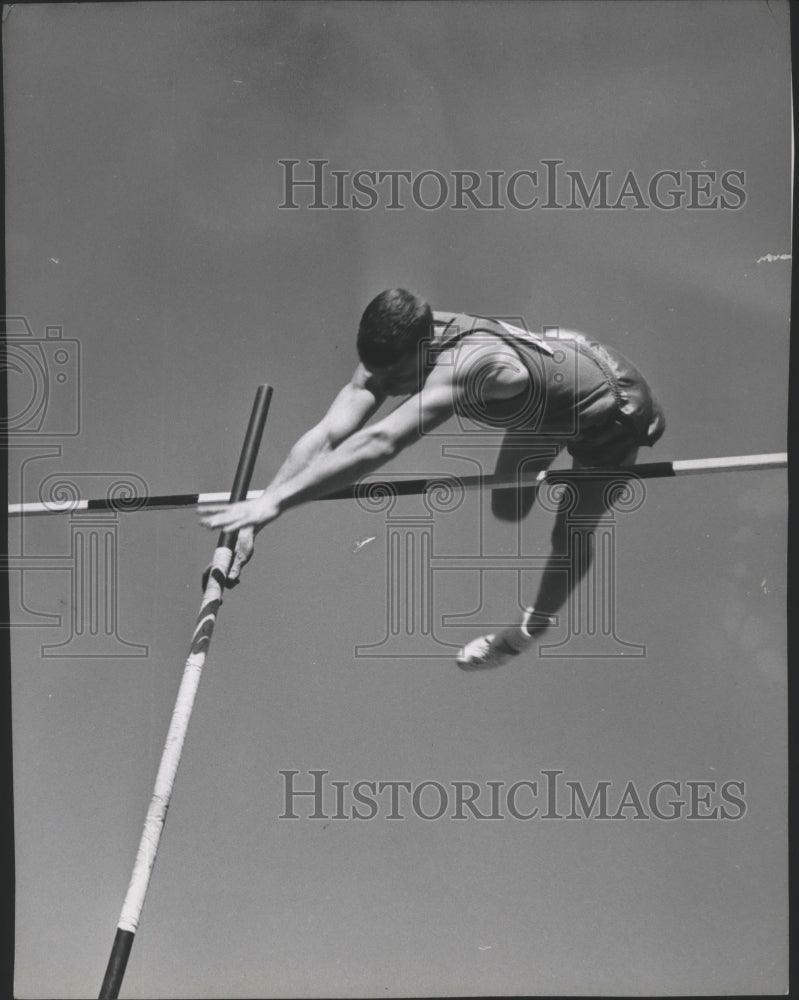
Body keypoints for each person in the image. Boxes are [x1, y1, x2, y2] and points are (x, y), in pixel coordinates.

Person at [201, 288, 665, 669]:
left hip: (609, 407)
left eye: (398, 378)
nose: (387, 387)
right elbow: (327, 437)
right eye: (377, 376)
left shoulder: (468, 366)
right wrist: (254, 524)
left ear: (423, 348)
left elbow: (381, 441)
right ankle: (557, 374)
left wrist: (278, 502)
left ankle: (526, 633)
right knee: (508, 505)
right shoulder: (389, 353)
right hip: (544, 403)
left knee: (572, 528)